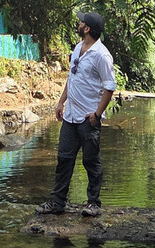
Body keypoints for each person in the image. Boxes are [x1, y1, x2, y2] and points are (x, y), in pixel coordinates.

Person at [35, 11, 116, 218]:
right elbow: (72, 78)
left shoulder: (102, 55)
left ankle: (93, 203)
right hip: (70, 116)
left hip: (88, 119)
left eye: (82, 22)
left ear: (87, 28)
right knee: (64, 159)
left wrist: (97, 115)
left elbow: (109, 88)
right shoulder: (78, 48)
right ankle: (57, 201)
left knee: (91, 161)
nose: (79, 24)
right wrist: (61, 102)